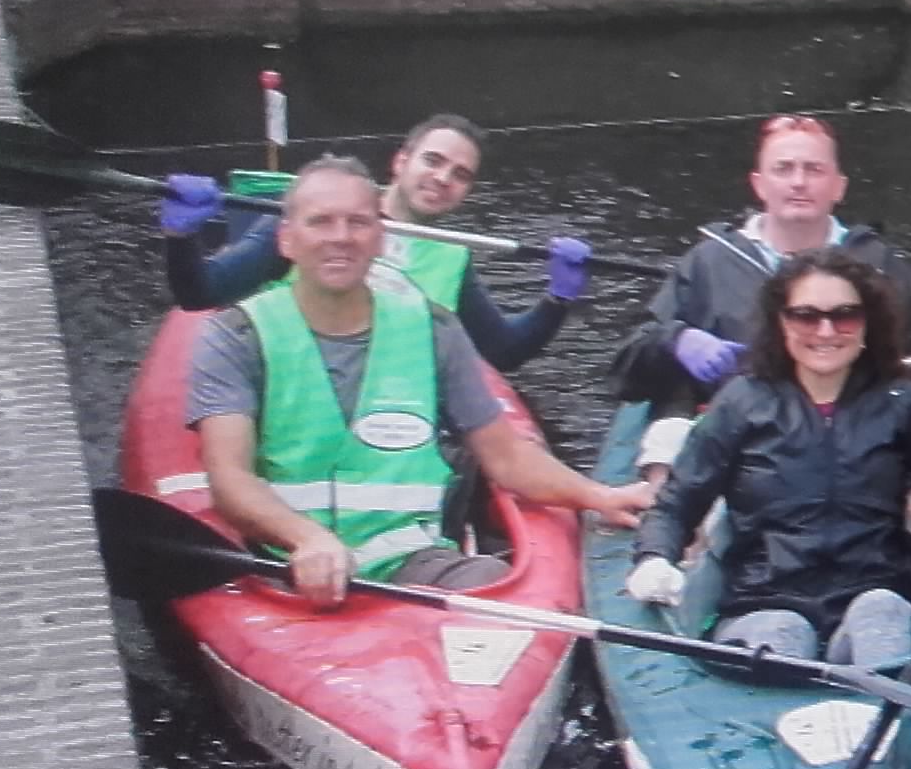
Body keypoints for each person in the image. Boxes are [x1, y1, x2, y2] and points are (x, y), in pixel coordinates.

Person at [188, 157, 650, 609]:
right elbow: (230, 478)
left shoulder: (434, 329)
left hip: (417, 562)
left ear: (380, 238)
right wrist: (307, 539)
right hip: (288, 562)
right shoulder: (239, 334)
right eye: (320, 222)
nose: (341, 238)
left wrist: (599, 495)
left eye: (359, 223)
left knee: (492, 588)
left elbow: (507, 459)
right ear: (286, 240)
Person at [624, 249, 911, 671]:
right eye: (806, 316)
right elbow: (676, 506)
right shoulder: (741, 403)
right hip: (764, 601)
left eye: (844, 315)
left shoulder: (902, 403)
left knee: (881, 616)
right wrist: (655, 557)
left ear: (866, 324)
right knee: (784, 635)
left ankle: (882, 698)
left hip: (876, 591)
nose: (825, 331)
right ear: (782, 322)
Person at [609, 113, 911, 474]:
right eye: (784, 169)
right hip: (735, 445)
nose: (799, 182)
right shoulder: (709, 264)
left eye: (814, 170)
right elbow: (627, 372)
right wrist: (676, 339)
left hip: (856, 445)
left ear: (839, 187)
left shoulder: (878, 265)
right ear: (759, 185)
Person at [159, 113, 587, 371]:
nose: (443, 179)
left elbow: (502, 351)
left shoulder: (451, 255)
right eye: (433, 161)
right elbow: (201, 293)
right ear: (401, 162)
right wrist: (182, 234)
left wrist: (557, 299)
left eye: (460, 175)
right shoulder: (313, 217)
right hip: (288, 387)